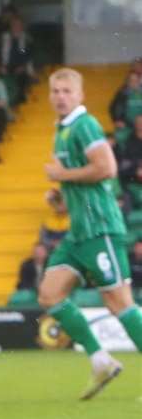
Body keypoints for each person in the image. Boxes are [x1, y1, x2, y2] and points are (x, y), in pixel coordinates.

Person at [37, 67, 142, 398]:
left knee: (119, 302)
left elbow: (106, 168)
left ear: (80, 95)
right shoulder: (61, 131)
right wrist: (59, 199)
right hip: (78, 231)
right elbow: (78, 182)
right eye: (55, 91)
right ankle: (101, 361)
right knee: (50, 294)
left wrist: (63, 176)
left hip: (101, 229)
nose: (60, 97)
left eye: (67, 91)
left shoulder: (85, 124)